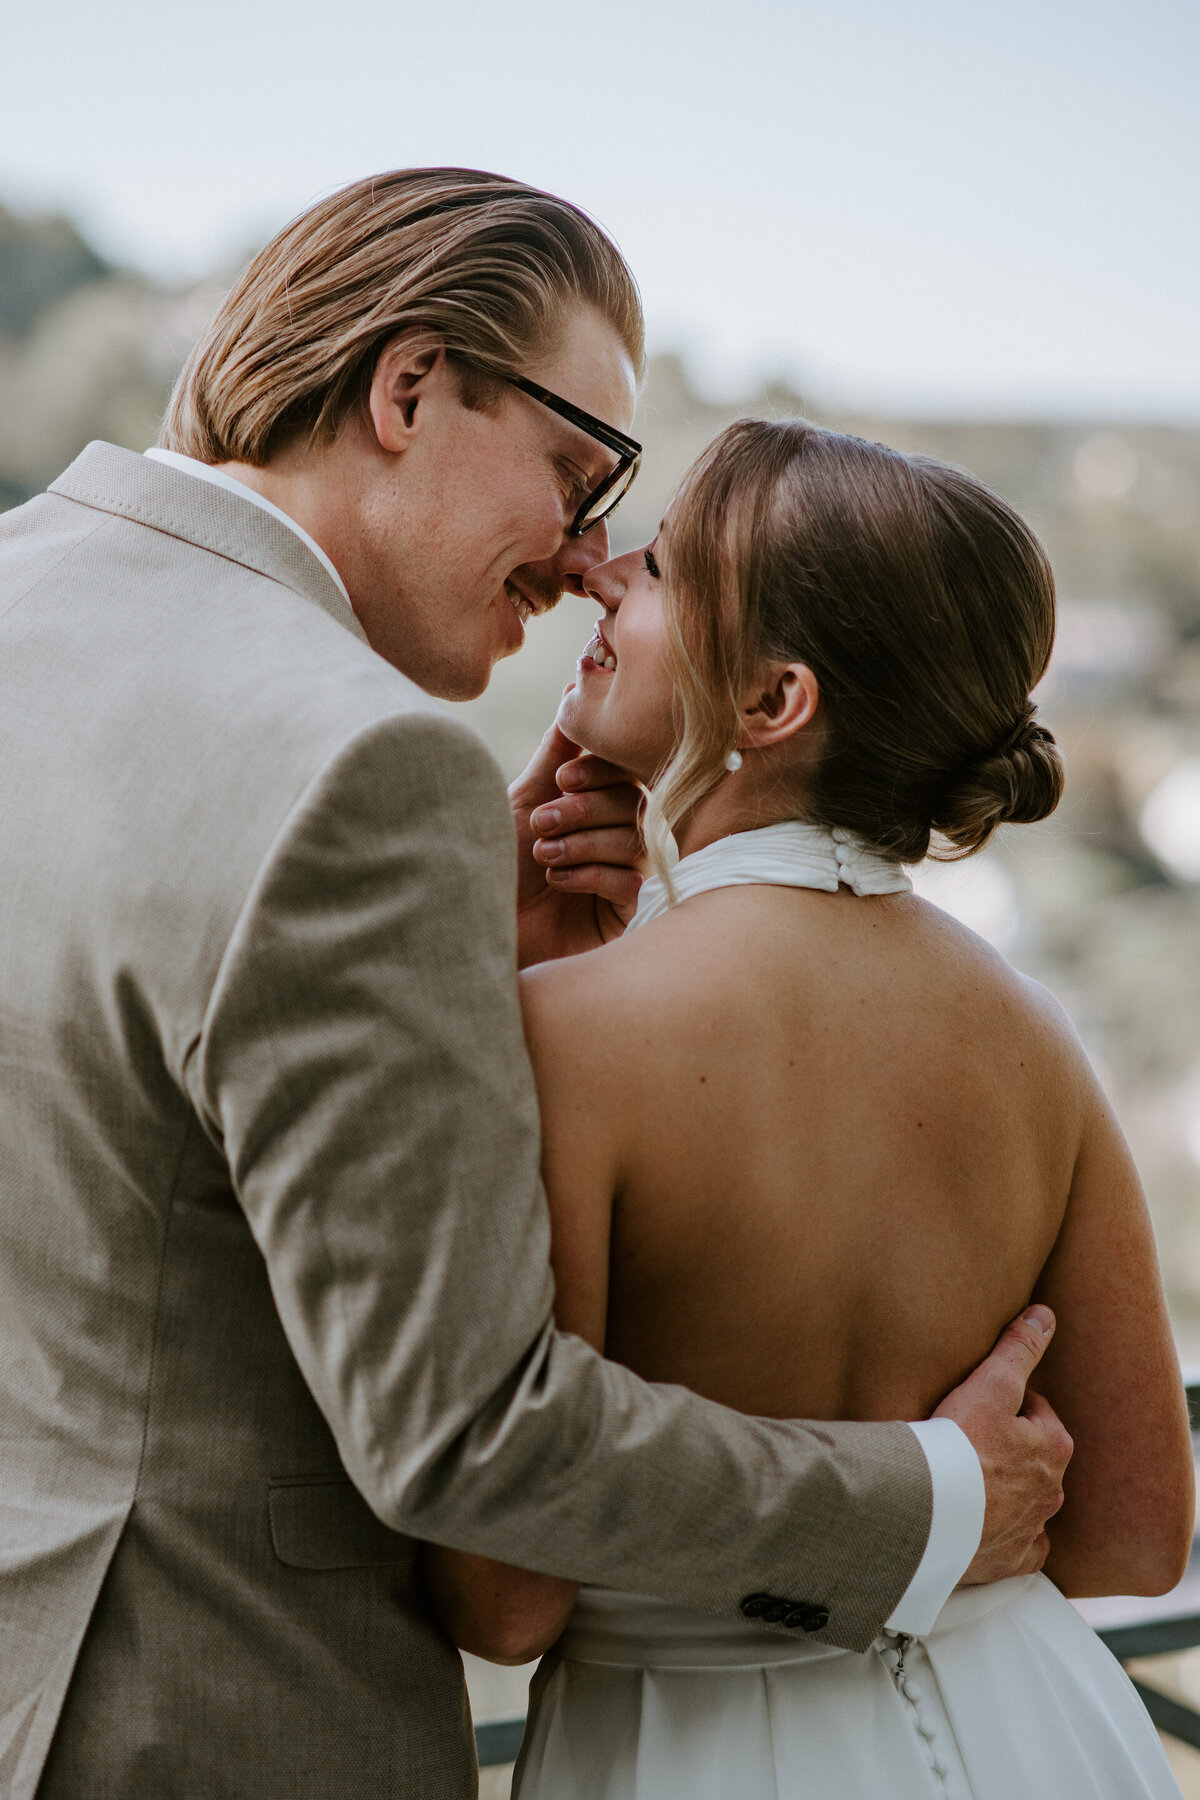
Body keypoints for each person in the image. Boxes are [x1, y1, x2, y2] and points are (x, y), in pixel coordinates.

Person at [0, 171, 1067, 1800]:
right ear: (410, 387)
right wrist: (925, 1504)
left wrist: (457, 973)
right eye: (579, 470)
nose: (584, 557)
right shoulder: (361, 764)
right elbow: (466, 1436)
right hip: (196, 1722)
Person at [427, 420, 1194, 1799]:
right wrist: (937, 1498)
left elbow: (505, 1598)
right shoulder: (1033, 1030)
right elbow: (1140, 1538)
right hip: (1043, 1731)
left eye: (658, 570)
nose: (599, 577)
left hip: (690, 1749)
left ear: (773, 702)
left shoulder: (564, 1028)